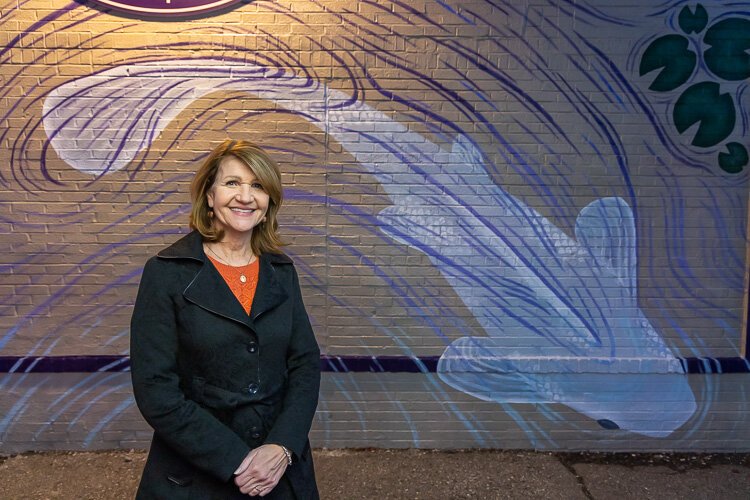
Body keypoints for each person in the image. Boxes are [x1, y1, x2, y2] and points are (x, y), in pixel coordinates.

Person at [130, 140, 321, 499]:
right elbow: (155, 388)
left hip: (277, 468)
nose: (246, 196)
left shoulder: (282, 272)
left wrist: (281, 447)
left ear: (268, 204)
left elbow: (305, 364)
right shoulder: (166, 273)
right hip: (198, 470)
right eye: (232, 183)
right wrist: (237, 460)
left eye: (258, 186)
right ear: (209, 197)